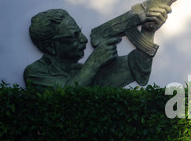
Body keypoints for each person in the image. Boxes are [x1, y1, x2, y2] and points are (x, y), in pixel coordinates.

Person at [24, 5, 171, 89]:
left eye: (79, 31)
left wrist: (148, 31)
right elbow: (67, 100)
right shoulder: (35, 73)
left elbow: (137, 68)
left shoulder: (82, 70)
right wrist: (94, 62)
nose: (83, 39)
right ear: (50, 46)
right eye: (73, 36)